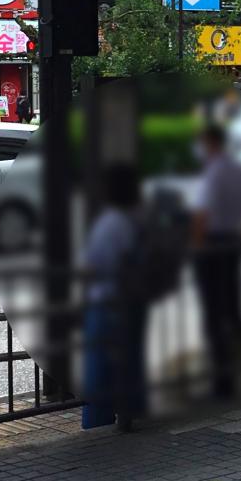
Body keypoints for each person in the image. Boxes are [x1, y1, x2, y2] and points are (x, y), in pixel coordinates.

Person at [191, 124, 241, 400]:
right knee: (233, 311)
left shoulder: (213, 173)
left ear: (210, 144)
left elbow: (201, 215)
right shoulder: (238, 170)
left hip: (212, 247)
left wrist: (197, 247)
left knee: (213, 315)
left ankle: (223, 381)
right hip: (233, 243)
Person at [80, 164, 147, 432]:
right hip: (132, 297)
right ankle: (130, 409)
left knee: (98, 366)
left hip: (107, 300)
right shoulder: (137, 217)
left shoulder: (110, 223)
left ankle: (99, 422)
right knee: (130, 359)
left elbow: (96, 263)